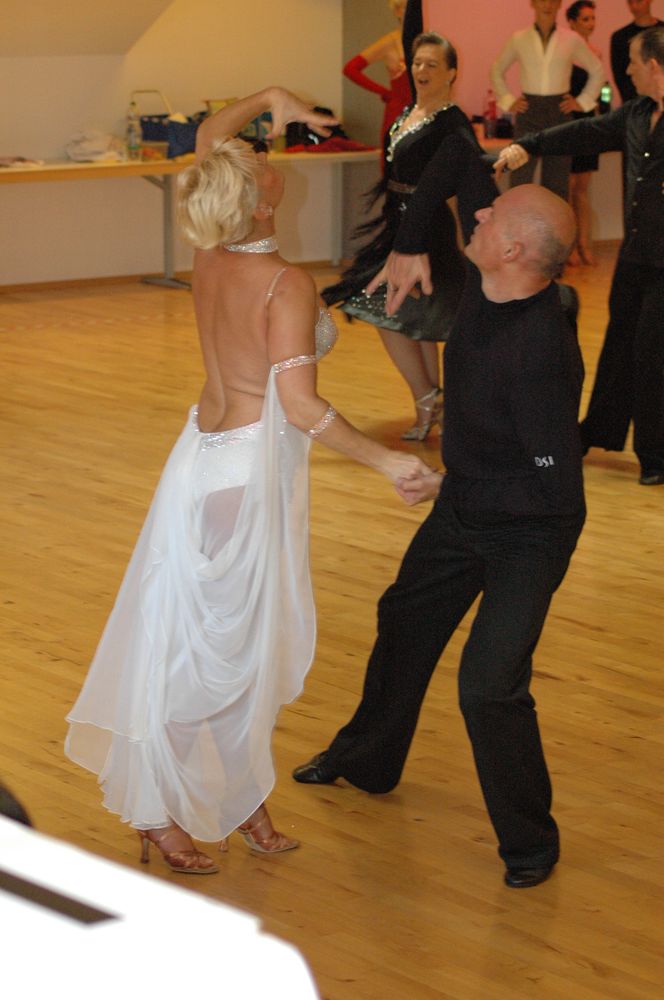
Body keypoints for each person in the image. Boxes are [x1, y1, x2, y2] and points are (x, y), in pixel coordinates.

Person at [64, 87, 429, 876]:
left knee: (221, 651)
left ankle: (239, 799)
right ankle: (160, 812)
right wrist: (388, 460)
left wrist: (269, 99)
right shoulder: (281, 283)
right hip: (242, 478)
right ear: (260, 205)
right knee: (216, 658)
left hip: (199, 461)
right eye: (257, 165)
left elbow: (210, 141)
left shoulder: (212, 250)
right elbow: (301, 408)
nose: (260, 160)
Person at [294, 173, 586, 890]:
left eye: (494, 215)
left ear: (512, 249)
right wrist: (406, 243)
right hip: (465, 509)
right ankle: (367, 759)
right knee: (405, 620)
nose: (480, 212)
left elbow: (555, 485)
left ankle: (530, 844)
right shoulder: (488, 286)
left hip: (530, 533)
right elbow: (451, 162)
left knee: (488, 687)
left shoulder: (541, 352)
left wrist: (449, 483)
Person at [495, 26, 664, 485]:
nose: (626, 69)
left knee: (652, 352)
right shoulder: (637, 114)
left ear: (653, 66)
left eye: (633, 61)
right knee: (620, 343)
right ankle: (597, 430)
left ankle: (656, 454)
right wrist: (527, 145)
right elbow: (585, 132)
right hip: (636, 253)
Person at [324, 24, 485, 442]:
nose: (422, 70)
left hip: (426, 230)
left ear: (452, 72)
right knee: (414, 319)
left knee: (391, 313)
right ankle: (432, 403)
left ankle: (428, 398)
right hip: (397, 222)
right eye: (417, 63)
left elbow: (466, 174)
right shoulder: (410, 112)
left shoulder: (452, 124)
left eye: (432, 64)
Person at [490, 0, 603, 200]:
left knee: (557, 185)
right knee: (520, 179)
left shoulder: (571, 39)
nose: (547, 5)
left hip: (559, 113)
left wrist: (582, 102)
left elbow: (597, 70)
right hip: (528, 112)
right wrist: (508, 101)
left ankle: (555, 222)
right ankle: (517, 221)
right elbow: (496, 71)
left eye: (553, 0)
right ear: (533, 3)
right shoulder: (519, 39)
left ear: (559, 4)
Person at [343, 0, 411, 150]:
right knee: (394, 157)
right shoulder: (389, 42)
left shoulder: (426, 39)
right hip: (398, 112)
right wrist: (383, 92)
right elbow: (350, 69)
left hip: (423, 111)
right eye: (407, 8)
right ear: (397, 11)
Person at [566, 1, 604, 266]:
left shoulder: (595, 53)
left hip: (588, 123)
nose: (591, 24)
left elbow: (598, 91)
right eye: (585, 19)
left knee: (582, 189)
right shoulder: (565, 53)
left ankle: (585, 244)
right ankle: (569, 247)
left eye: (592, 19)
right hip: (569, 123)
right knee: (568, 188)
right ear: (572, 22)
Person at [611, 0, 662, 103]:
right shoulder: (620, 37)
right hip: (635, 102)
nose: (634, 6)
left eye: (638, 1)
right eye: (630, 2)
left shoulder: (662, 31)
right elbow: (620, 77)